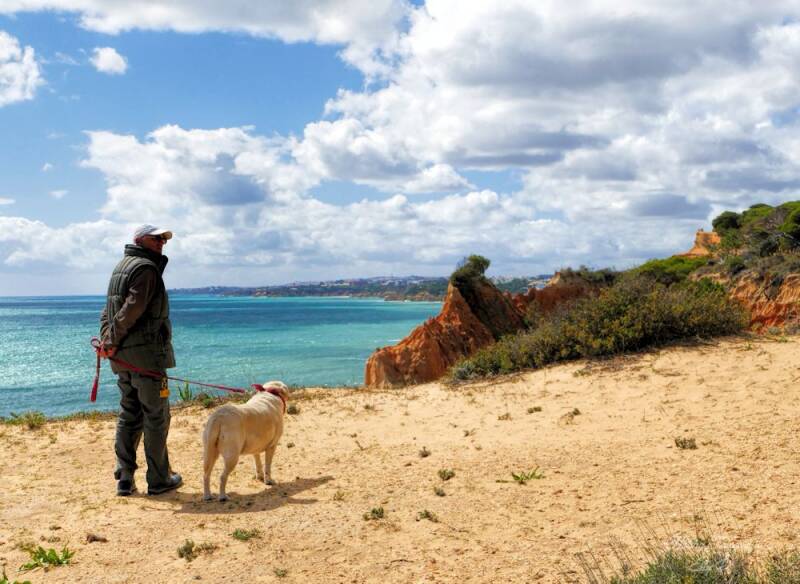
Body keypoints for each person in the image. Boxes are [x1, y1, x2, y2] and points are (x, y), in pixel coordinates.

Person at [98, 224, 182, 496]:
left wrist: (107, 341)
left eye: (163, 239)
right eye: (155, 238)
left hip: (123, 358)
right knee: (156, 417)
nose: (161, 242)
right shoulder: (146, 269)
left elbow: (108, 311)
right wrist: (110, 340)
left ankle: (124, 478)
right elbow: (130, 310)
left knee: (129, 415)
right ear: (138, 240)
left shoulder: (120, 267)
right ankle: (159, 480)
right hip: (147, 358)